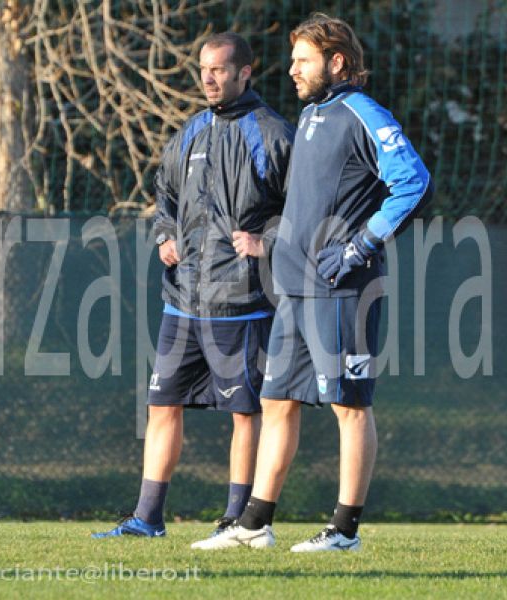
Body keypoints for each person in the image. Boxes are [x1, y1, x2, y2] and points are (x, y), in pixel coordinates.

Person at [193, 14, 432, 552]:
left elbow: (413, 183)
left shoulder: (362, 112)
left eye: (304, 60)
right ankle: (255, 524)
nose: (294, 70)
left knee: (350, 406)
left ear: (337, 62)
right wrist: (272, 245)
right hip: (294, 292)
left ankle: (345, 530)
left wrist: (358, 248)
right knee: (277, 402)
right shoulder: (311, 115)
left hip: (344, 292)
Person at [92, 32, 294, 539]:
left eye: (219, 69)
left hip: (241, 301)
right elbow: (166, 196)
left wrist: (266, 240)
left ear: (245, 72)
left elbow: (299, 209)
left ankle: (237, 519)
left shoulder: (271, 133)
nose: (208, 77)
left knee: (244, 413)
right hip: (182, 299)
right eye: (203, 68)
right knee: (161, 405)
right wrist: (164, 235)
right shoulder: (191, 132)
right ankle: (147, 517)